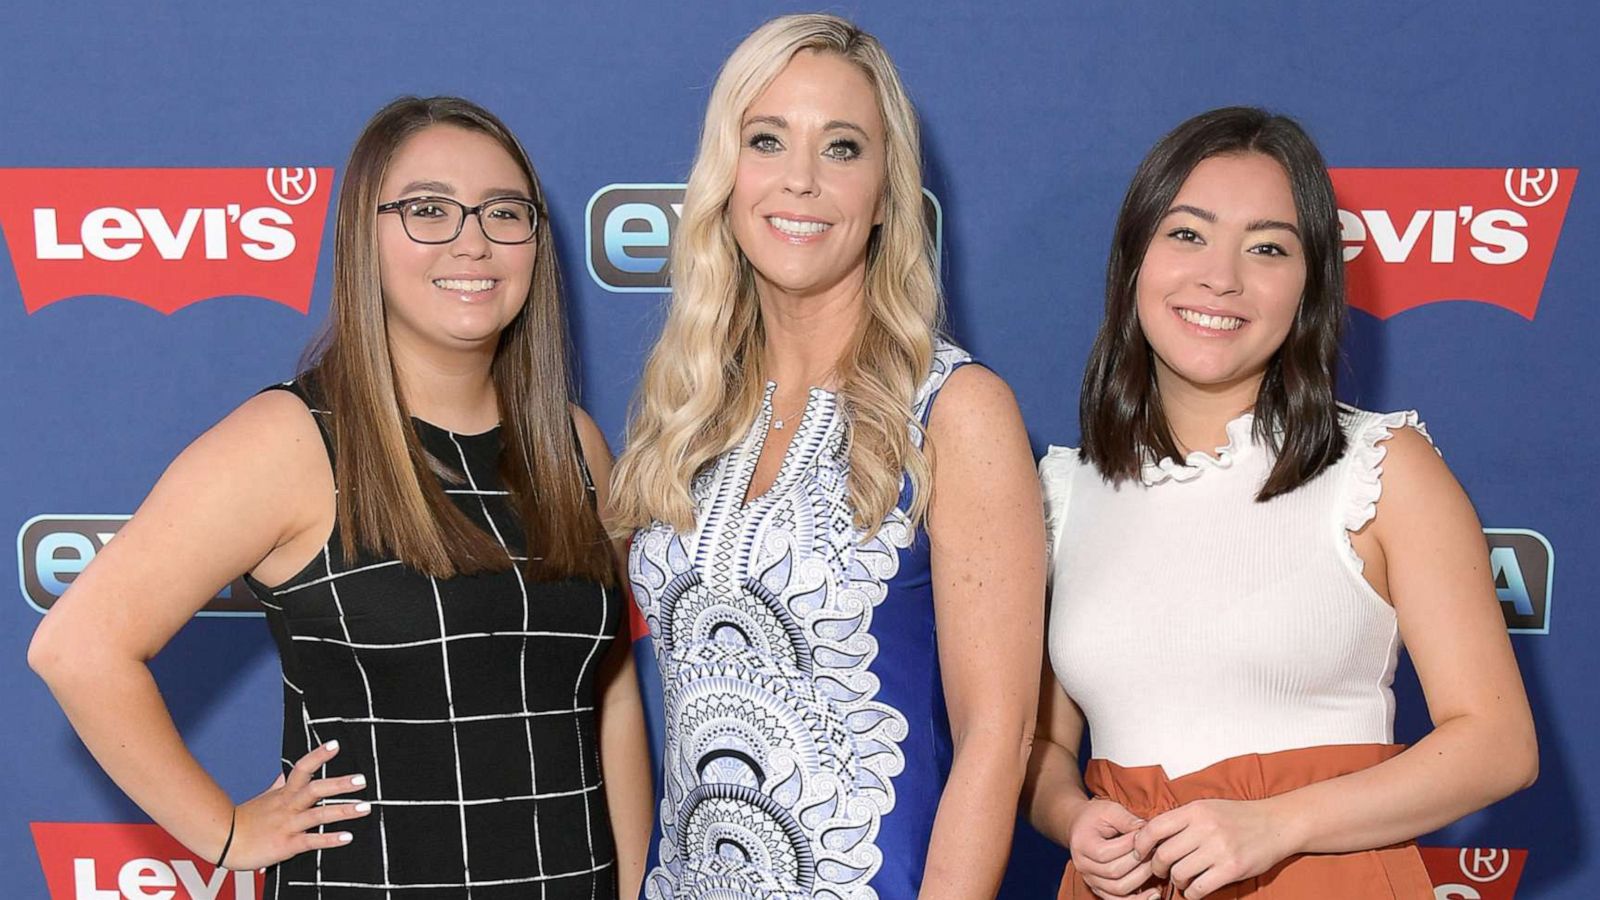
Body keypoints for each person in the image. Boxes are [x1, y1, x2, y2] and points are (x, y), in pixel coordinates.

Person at [29, 96, 652, 899]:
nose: (473, 240)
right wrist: (227, 832)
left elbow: (610, 695)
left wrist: (635, 885)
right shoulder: (291, 442)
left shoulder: (573, 443)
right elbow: (78, 648)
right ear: (365, 234)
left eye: (505, 212)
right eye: (429, 209)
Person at [1022, 106, 1538, 900]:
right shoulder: (1062, 493)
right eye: (1187, 234)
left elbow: (1498, 745)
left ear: (1312, 285)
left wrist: (1277, 824)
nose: (1220, 277)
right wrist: (1073, 818)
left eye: (1267, 247)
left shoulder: (1382, 470)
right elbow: (1043, 750)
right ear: (1134, 261)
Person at [608, 14, 1043, 900]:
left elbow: (999, 737)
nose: (799, 180)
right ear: (726, 177)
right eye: (766, 140)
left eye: (842, 148)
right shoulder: (689, 409)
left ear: (887, 193)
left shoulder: (958, 411)